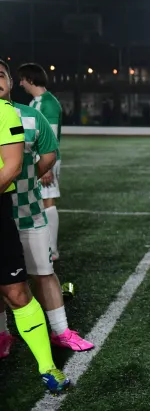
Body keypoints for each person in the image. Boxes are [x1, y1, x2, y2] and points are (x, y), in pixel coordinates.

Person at [0, 60, 93, 356]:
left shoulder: (31, 115)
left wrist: (28, 180)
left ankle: (61, 331)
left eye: (0, 75)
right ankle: (3, 334)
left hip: (27, 212)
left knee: (43, 272)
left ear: (11, 82)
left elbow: (49, 155)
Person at [0, 60, 69, 393]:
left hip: (3, 211)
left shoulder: (7, 114)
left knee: (16, 291)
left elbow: (13, 166)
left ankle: (47, 366)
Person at [17, 64, 63, 261]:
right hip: (38, 160)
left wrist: (46, 168)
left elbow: (50, 138)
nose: (20, 84)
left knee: (47, 201)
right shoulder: (37, 102)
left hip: (46, 162)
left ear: (30, 79)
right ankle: (44, 247)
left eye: (22, 79)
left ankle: (51, 249)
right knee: (39, 202)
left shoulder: (48, 104)